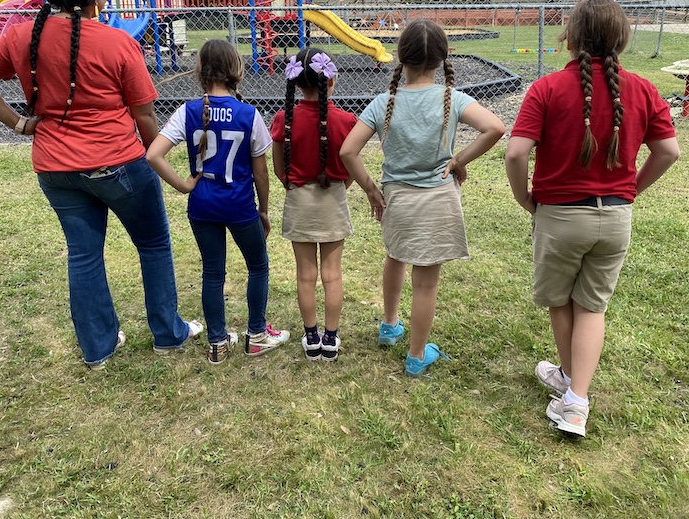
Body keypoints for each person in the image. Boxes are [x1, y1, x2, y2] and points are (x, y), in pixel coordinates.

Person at [0, 0, 202, 370]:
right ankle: (168, 333)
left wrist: (20, 124)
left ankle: (98, 347)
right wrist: (154, 155)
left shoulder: (22, 36)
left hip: (55, 169)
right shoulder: (118, 43)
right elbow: (144, 114)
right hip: (119, 164)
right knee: (154, 245)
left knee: (84, 255)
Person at [505, 0, 680, 437]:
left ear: (570, 36)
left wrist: (525, 197)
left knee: (561, 302)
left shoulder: (546, 89)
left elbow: (516, 153)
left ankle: (571, 390)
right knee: (592, 306)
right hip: (616, 219)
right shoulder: (643, 89)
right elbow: (668, 152)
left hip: (560, 217)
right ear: (621, 38)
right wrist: (630, 191)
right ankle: (574, 395)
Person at [340, 19, 506, 377]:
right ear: (443, 58)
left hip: (396, 200)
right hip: (438, 202)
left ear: (400, 56)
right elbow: (496, 127)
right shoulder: (454, 99)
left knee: (395, 257)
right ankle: (416, 357)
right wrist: (459, 159)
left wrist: (371, 189)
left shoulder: (383, 103)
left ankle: (389, 327)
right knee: (426, 283)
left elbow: (348, 151)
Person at [146, 39, 289, 365]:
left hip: (202, 207)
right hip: (239, 207)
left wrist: (184, 185)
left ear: (201, 71)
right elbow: (261, 175)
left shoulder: (187, 111)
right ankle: (256, 335)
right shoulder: (248, 115)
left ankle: (217, 343)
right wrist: (263, 210)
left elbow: (153, 154)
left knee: (213, 273)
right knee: (258, 266)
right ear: (235, 70)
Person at [270, 48, 357, 362]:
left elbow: (280, 169)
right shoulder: (346, 120)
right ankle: (331, 339)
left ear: (294, 82)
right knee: (332, 275)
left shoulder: (283, 119)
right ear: (331, 80)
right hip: (333, 200)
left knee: (305, 275)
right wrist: (339, 187)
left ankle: (311, 336)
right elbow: (350, 166)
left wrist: (292, 185)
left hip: (299, 202)